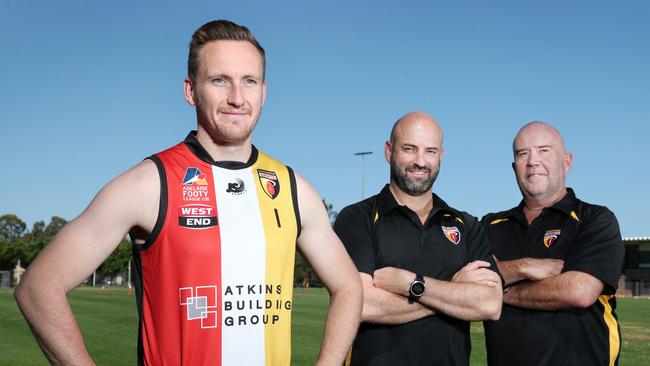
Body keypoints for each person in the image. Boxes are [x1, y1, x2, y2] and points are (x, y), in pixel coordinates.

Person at [14, 20, 362, 366]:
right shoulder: (149, 183)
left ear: (264, 92)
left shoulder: (291, 189)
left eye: (249, 82)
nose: (237, 98)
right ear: (190, 90)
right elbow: (38, 288)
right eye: (219, 80)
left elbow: (349, 287)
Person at [334, 112, 502, 366]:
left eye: (430, 151)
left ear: (441, 156)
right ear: (388, 150)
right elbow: (360, 304)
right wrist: (455, 292)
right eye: (410, 149)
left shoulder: (467, 225)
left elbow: (490, 304)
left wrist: (411, 284)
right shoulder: (358, 218)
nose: (420, 161)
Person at [482, 121, 624, 366]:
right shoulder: (488, 226)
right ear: (514, 166)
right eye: (522, 153)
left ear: (566, 162)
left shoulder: (595, 219)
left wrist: (499, 290)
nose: (532, 161)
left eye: (544, 150)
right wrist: (524, 267)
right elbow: (464, 277)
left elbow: (580, 291)